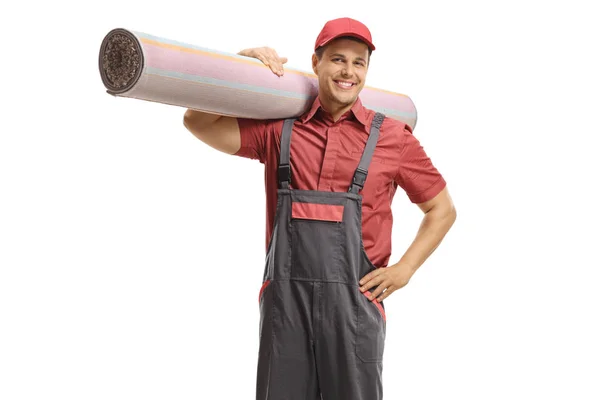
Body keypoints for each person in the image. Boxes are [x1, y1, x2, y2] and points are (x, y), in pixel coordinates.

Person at [183, 17, 456, 400]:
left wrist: (405, 270)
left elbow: (441, 209)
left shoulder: (394, 138)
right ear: (316, 64)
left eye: (358, 62)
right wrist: (239, 68)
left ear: (366, 71)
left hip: (354, 310)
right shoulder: (279, 129)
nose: (348, 71)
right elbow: (197, 120)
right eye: (337, 59)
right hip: (286, 308)